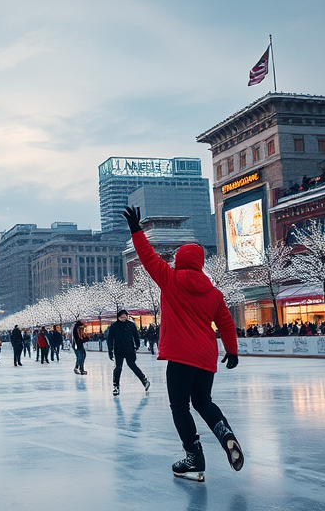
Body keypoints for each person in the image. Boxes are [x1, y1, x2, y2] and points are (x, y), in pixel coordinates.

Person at [125, 206, 242, 482]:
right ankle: (224, 432)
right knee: (203, 401)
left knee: (180, 406)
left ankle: (194, 457)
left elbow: (148, 257)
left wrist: (136, 230)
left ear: (179, 260)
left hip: (180, 357)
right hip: (205, 357)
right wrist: (232, 350)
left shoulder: (170, 279)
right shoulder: (214, 293)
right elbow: (225, 323)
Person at [106, 310, 149, 395]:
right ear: (118, 317)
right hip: (118, 350)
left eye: (125, 317)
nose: (123, 319)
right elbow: (110, 339)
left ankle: (144, 380)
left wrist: (137, 345)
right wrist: (110, 351)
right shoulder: (114, 326)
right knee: (118, 368)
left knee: (132, 365)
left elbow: (135, 336)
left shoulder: (131, 325)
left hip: (129, 349)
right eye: (121, 317)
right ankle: (116, 386)